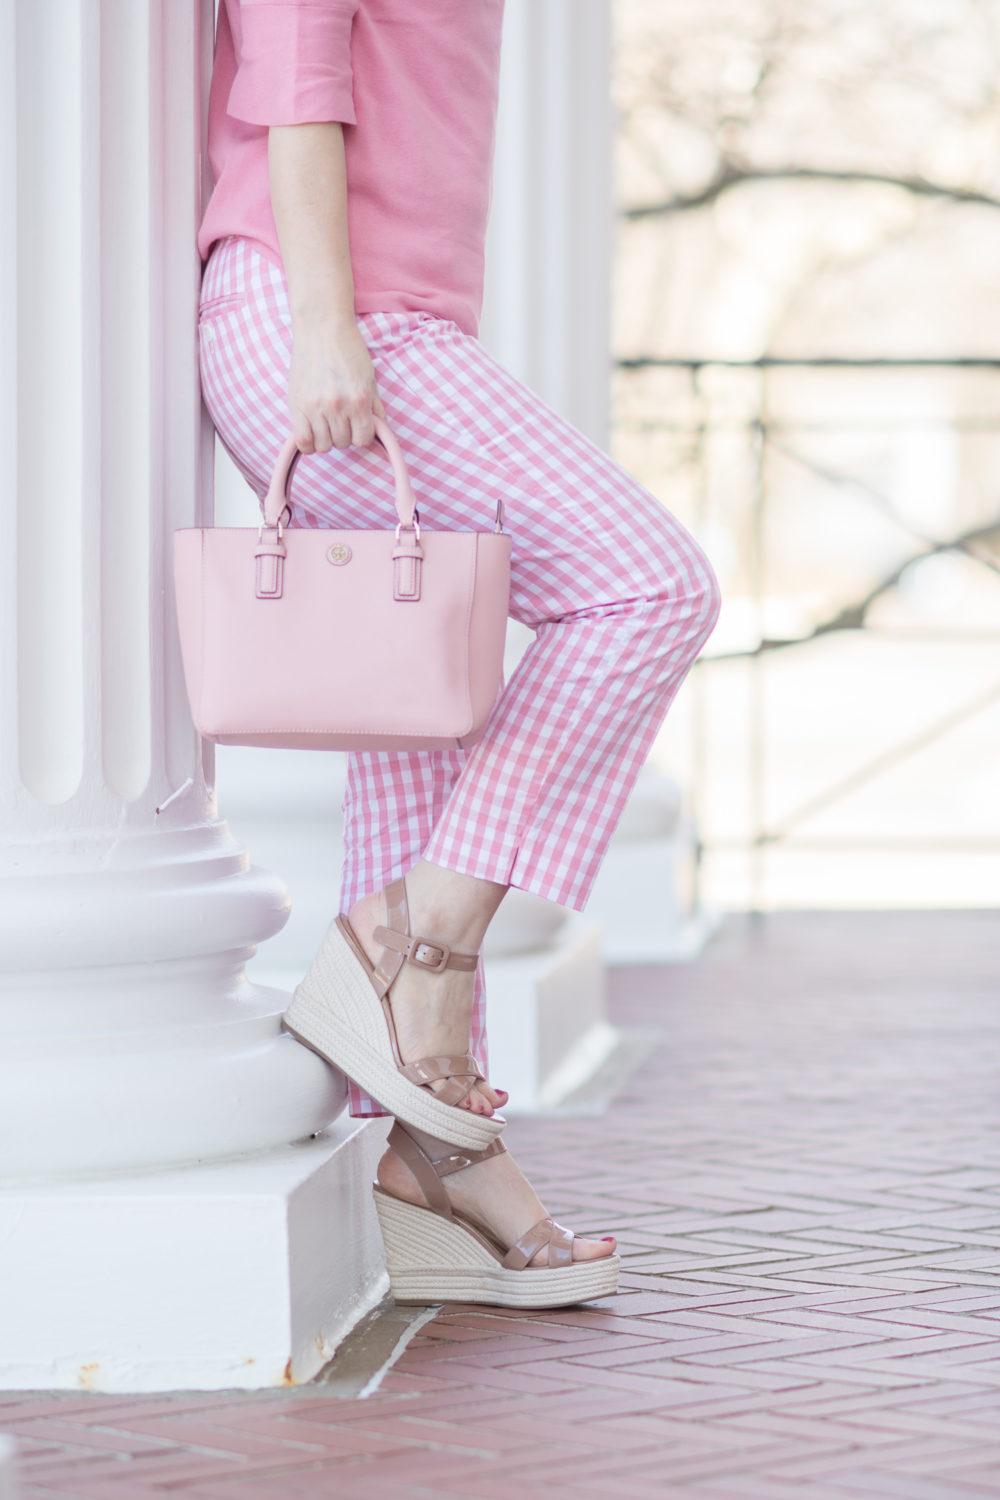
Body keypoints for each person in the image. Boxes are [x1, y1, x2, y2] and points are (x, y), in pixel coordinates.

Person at [197, 0, 720, 1308]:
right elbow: (297, 90)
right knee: (650, 583)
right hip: (326, 315)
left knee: (421, 726)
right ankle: (403, 946)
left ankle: (428, 1160)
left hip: (375, 317)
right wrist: (330, 330)